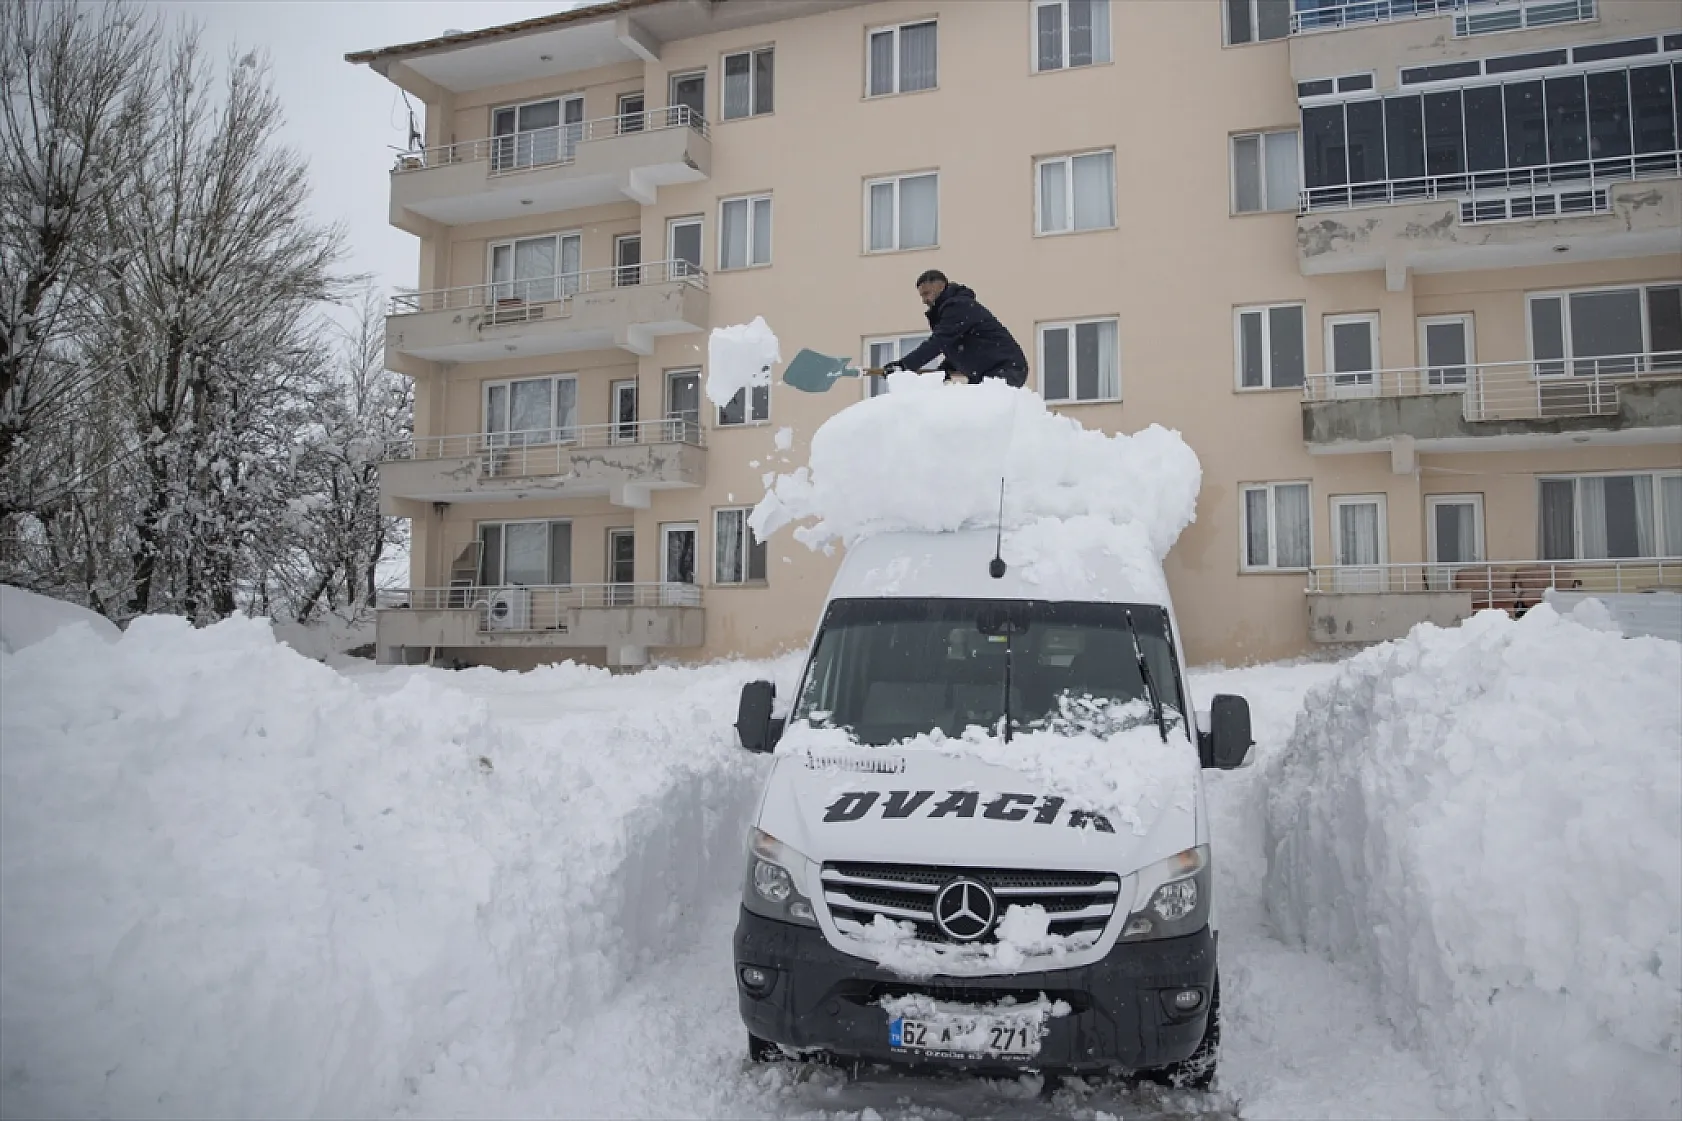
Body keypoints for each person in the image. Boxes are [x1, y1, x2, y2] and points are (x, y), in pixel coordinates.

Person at [880, 270, 1029, 387]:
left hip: (1006, 369)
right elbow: (958, 347)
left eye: (926, 294)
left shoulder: (958, 306)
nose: (924, 300)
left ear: (941, 286)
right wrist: (943, 371)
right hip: (992, 370)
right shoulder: (952, 309)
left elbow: (938, 343)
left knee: (981, 412)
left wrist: (904, 365)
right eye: (921, 296)